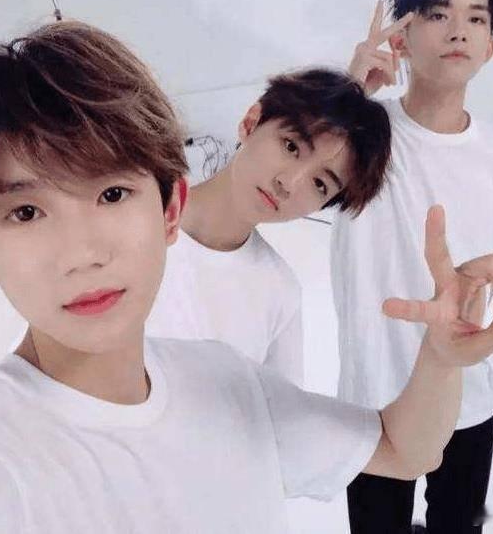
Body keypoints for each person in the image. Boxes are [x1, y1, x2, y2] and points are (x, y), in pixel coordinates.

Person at [0, 20, 493, 533]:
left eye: (112, 195)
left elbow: (394, 449)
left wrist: (441, 359)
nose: (84, 253)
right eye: (27, 212)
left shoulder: (233, 373)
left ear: (166, 209)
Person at [334, 0, 493, 532]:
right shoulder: (361, 131)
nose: (458, 30)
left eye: (476, 18)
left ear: (490, 47)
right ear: (402, 38)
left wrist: (492, 265)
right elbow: (288, 167)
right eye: (437, 14)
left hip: (466, 388)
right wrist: (347, 91)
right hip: (375, 398)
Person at [146, 68, 392, 385]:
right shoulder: (132, 214)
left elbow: (279, 410)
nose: (288, 183)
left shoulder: (280, 292)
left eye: (319, 184)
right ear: (251, 122)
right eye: (291, 147)